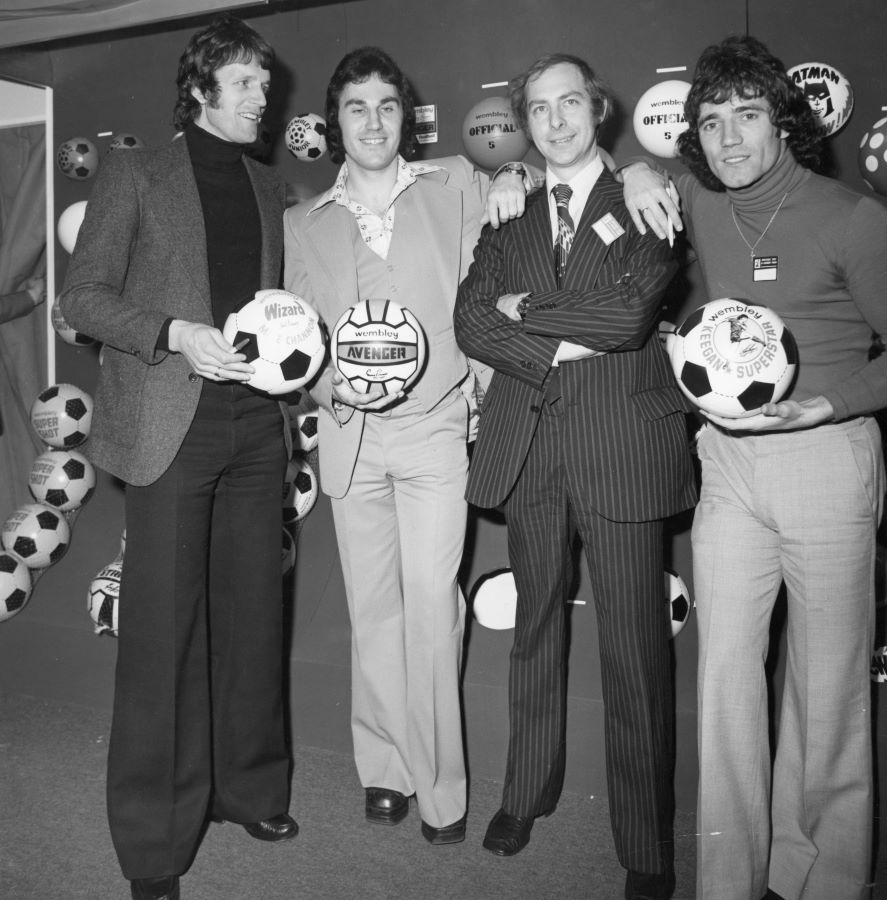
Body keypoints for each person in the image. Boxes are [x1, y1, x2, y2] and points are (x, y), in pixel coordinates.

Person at [621, 35, 887, 900]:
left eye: (748, 117)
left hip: (826, 458)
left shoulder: (852, 217)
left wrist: (827, 405)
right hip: (725, 460)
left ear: (785, 124)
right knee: (726, 675)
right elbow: (625, 186)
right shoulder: (691, 195)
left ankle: (821, 881)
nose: (728, 140)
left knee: (827, 687)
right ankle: (730, 881)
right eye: (711, 121)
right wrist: (636, 174)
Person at [60, 16, 297, 900]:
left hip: (255, 427)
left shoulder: (269, 187)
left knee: (252, 619)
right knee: (160, 633)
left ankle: (249, 789)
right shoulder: (136, 173)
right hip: (170, 426)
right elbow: (84, 299)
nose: (262, 100)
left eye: (265, 87)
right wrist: (172, 332)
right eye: (246, 86)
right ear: (201, 89)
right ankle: (153, 842)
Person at [454, 53, 697, 900]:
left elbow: (631, 317)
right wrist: (541, 326)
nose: (555, 121)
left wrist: (529, 313)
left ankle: (645, 844)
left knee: (634, 650)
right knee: (535, 634)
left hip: (621, 447)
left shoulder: (647, 195)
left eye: (569, 104)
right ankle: (527, 792)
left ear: (597, 108)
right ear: (523, 121)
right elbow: (470, 322)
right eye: (538, 109)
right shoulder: (509, 204)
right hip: (530, 450)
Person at [283, 46, 525, 846]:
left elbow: (530, 195)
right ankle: (383, 768)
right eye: (357, 108)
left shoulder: (457, 183)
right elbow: (299, 338)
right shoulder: (303, 222)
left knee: (430, 605)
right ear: (334, 122)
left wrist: (520, 179)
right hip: (351, 441)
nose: (374, 122)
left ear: (405, 115)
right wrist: (327, 388)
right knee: (373, 612)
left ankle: (441, 787)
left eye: (387, 105)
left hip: (433, 434)